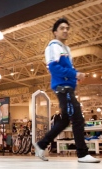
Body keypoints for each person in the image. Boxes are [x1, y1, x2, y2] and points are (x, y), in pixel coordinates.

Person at [33, 18, 100, 163]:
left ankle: (41, 144)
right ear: (55, 32)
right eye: (62, 28)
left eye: (67, 28)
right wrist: (75, 74)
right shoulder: (53, 46)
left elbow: (68, 69)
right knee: (77, 119)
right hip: (63, 88)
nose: (65, 30)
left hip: (68, 87)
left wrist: (76, 75)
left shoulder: (66, 49)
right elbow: (53, 68)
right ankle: (82, 154)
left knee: (64, 121)